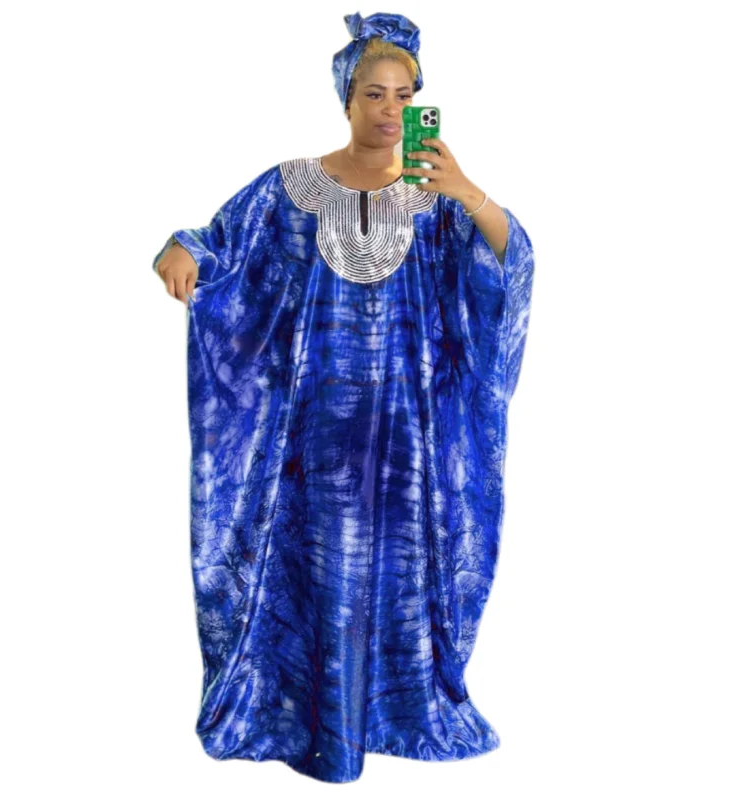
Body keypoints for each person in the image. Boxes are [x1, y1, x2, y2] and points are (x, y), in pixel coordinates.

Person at [152, 11, 535, 785]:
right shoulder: (290, 188)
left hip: (407, 440)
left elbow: (511, 267)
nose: (390, 110)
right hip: (311, 438)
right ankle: (317, 725)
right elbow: (220, 243)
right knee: (320, 570)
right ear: (347, 98)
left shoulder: (438, 202)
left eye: (404, 96)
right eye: (374, 94)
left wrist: (466, 190)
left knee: (399, 573)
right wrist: (180, 249)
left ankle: (394, 711)